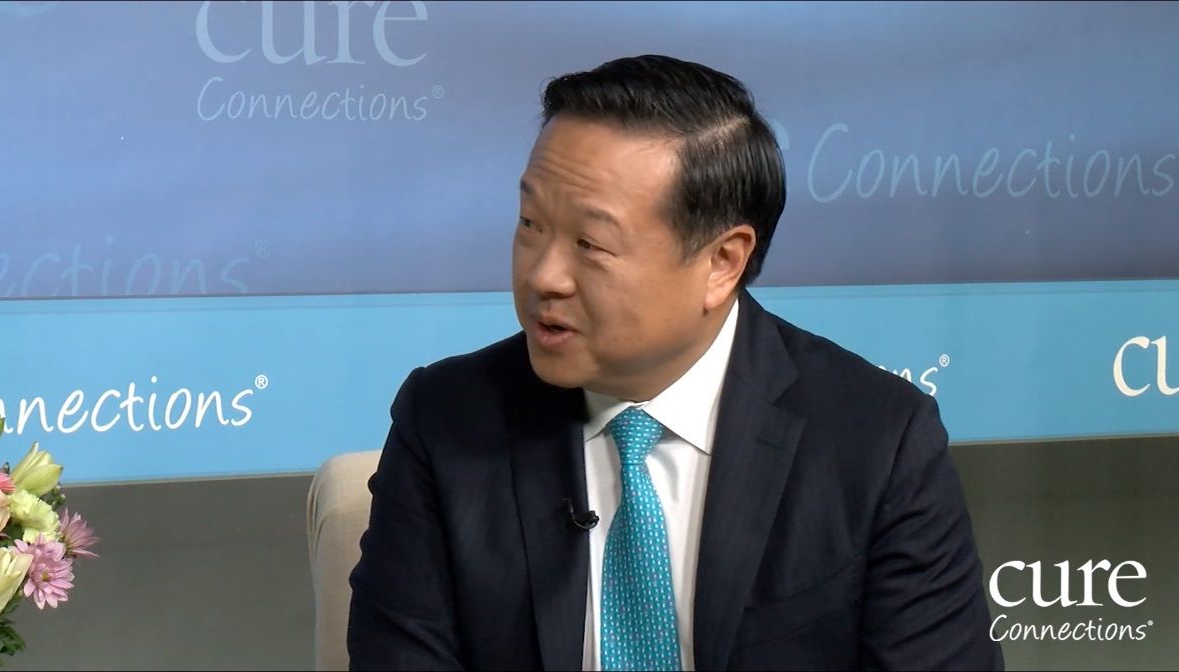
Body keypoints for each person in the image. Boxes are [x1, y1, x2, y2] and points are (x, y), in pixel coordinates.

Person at [348, 54, 1002, 671]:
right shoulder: (445, 421)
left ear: (722, 262)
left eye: (590, 243)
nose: (544, 275)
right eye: (529, 224)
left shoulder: (876, 441)